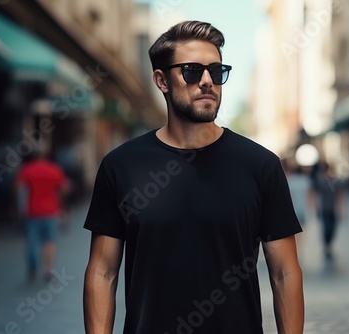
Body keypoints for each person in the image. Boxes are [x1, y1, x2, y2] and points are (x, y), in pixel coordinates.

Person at [83, 21, 304, 334]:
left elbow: (285, 272)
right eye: (191, 71)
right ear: (161, 80)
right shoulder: (121, 165)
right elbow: (103, 272)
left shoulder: (260, 165)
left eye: (215, 71)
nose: (206, 81)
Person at [15, 146, 69, 281]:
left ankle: (33, 268)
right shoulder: (54, 169)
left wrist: (18, 206)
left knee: (32, 242)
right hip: (51, 211)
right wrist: (59, 199)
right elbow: (65, 187)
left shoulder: (27, 169)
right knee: (49, 241)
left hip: (32, 212)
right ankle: (47, 269)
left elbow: (17, 188)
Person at [309, 162, 346, 262]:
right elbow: (313, 193)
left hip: (333, 209)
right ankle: (326, 247)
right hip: (323, 209)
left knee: (332, 228)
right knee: (326, 228)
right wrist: (315, 207)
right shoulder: (321, 181)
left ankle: (329, 246)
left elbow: (340, 195)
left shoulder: (337, 182)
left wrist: (341, 209)